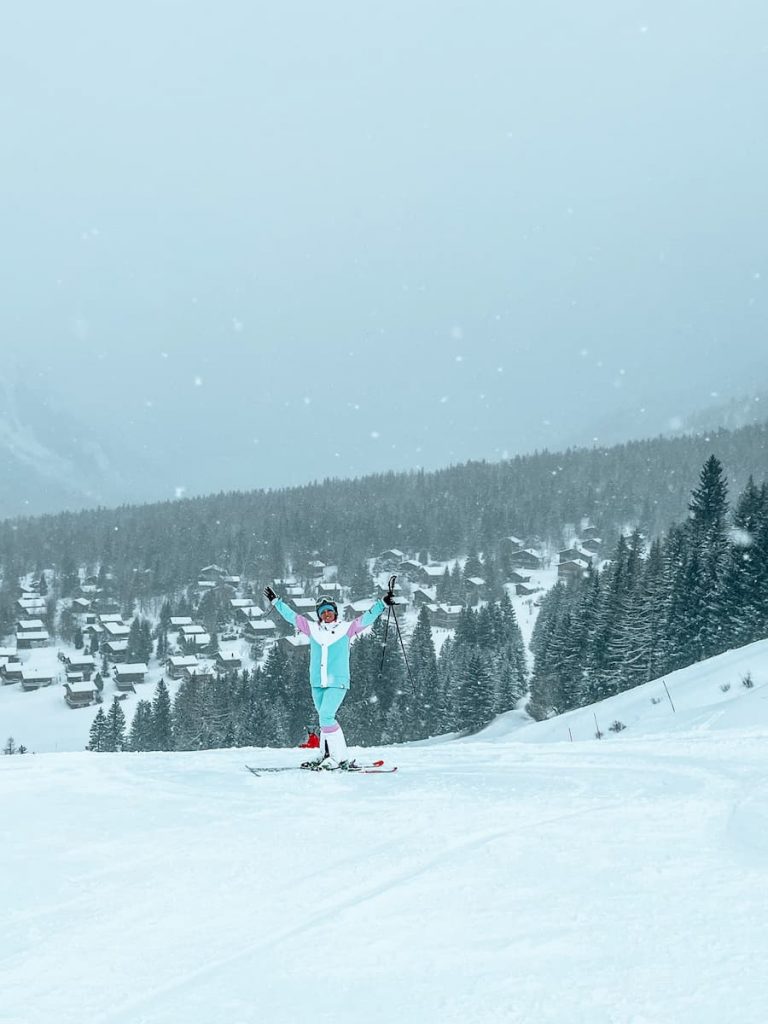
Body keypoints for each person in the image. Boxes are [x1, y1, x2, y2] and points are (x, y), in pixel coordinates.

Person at [263, 583, 395, 769]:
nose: (327, 614)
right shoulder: (312, 629)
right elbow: (291, 616)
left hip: (337, 681)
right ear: (319, 615)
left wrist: (382, 603)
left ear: (335, 612)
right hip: (317, 682)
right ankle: (325, 754)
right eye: (323, 612)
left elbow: (367, 618)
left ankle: (339, 758)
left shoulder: (347, 629)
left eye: (329, 611)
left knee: (326, 716)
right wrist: (276, 602)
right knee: (323, 718)